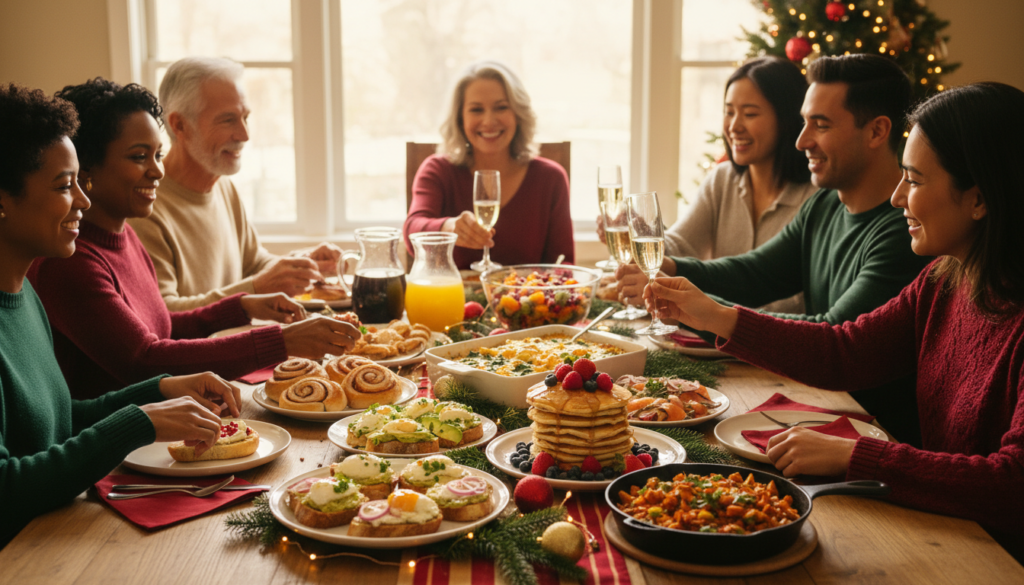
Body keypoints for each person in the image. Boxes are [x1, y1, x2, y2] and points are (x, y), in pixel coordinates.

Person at [643, 82, 1024, 560]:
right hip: (947, 531)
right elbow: (845, 351)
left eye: (916, 180)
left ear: (979, 199)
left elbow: (1012, 485)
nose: (898, 197)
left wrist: (855, 456)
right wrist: (716, 315)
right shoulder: (944, 282)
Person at [617, 54, 931, 443]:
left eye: (821, 124)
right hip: (815, 408)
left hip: (873, 437)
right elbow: (755, 273)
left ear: (877, 131)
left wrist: (714, 314)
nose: (802, 141)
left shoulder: (904, 234)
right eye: (804, 122)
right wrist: (671, 267)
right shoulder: (826, 204)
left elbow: (834, 339)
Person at [0, 83, 244, 547]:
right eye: (62, 186)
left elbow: (56, 421)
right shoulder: (49, 281)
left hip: (59, 532)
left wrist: (159, 391)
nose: (82, 201)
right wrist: (139, 422)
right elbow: (6, 487)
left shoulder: (24, 296)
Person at [27, 79, 360, 399]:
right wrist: (281, 341)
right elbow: (144, 360)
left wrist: (240, 307)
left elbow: (159, 327)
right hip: (124, 447)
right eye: (139, 156)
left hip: (165, 425)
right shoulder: (70, 262)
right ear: (87, 170)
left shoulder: (123, 232)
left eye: (158, 155)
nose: (157, 171)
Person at [601, 57, 816, 313]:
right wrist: (640, 233)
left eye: (749, 114)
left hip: (779, 340)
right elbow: (681, 245)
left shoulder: (815, 197)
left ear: (787, 120)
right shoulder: (723, 179)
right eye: (728, 112)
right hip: (715, 337)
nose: (734, 126)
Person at [127, 57, 342, 311]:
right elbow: (165, 313)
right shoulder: (145, 207)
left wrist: (302, 263)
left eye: (245, 117)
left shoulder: (221, 185)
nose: (245, 135)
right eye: (228, 120)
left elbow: (254, 263)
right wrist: (258, 287)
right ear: (179, 124)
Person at [403, 60, 574, 270]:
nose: (489, 120)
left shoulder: (550, 178)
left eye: (501, 107)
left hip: (528, 300)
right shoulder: (438, 170)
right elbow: (412, 230)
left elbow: (564, 261)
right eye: (476, 110)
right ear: (460, 119)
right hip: (451, 300)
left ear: (518, 115)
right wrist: (448, 228)